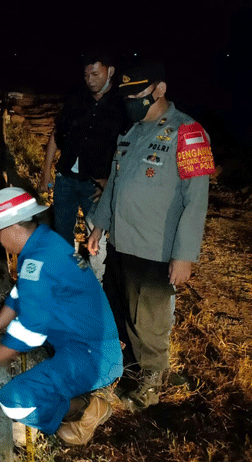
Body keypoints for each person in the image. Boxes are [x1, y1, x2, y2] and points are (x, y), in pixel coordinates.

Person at [0, 187, 123, 445]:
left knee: (14, 402)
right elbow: (17, 296)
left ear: (13, 226)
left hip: (92, 356)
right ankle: (71, 403)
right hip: (86, 343)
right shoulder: (43, 243)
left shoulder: (40, 259)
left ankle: (85, 408)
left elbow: (31, 332)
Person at [87, 61, 214, 411]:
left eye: (138, 94)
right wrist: (100, 225)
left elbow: (196, 200)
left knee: (149, 323)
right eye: (126, 95)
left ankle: (151, 385)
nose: (131, 101)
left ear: (159, 90)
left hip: (156, 249)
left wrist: (185, 255)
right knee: (118, 311)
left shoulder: (188, 132)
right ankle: (124, 370)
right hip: (121, 243)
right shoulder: (130, 133)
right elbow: (115, 186)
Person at [39, 53, 127, 282]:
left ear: (111, 71)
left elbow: (127, 150)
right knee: (62, 232)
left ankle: (97, 283)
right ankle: (66, 276)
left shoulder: (122, 107)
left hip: (95, 184)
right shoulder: (76, 100)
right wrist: (46, 171)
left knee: (97, 237)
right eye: (86, 75)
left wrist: (112, 182)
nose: (90, 80)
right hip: (66, 178)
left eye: (95, 74)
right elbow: (56, 136)